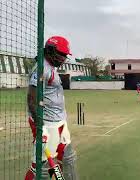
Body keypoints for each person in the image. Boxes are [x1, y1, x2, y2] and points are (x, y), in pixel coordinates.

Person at [25, 36, 78, 180]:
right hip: (47, 124)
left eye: (65, 56)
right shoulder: (41, 69)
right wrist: (39, 125)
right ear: (50, 50)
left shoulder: (51, 68)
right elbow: (31, 99)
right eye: (61, 54)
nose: (63, 59)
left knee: (67, 157)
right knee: (40, 168)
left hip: (60, 121)